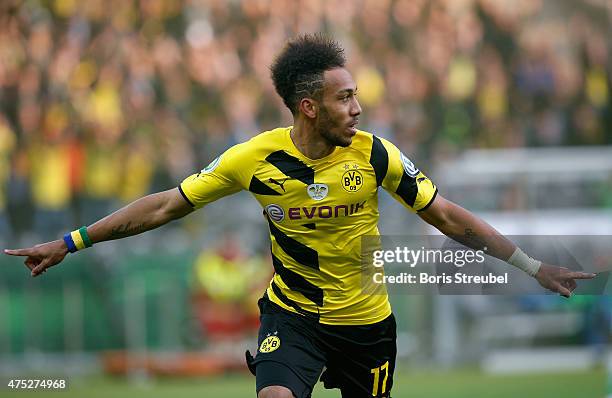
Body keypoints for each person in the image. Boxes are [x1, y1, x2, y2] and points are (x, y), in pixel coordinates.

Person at [4, 34, 596, 398]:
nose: (358, 108)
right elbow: (161, 206)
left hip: (368, 328)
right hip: (294, 319)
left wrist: (529, 263)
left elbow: (447, 215)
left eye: (357, 95)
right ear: (309, 107)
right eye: (345, 99)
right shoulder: (252, 159)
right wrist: (71, 240)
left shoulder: (376, 154)